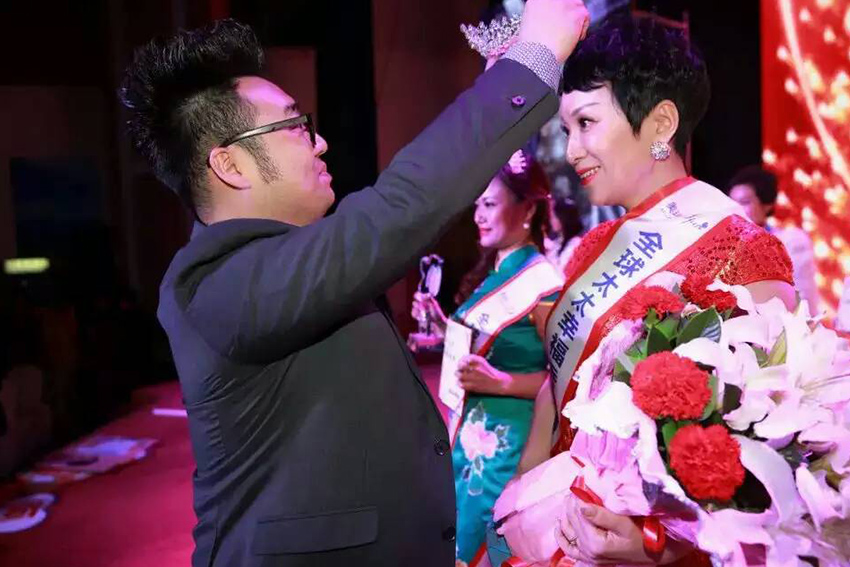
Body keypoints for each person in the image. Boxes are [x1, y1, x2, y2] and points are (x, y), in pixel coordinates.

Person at [119, 3, 590, 566]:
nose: (319, 143)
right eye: (295, 127)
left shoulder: (284, 265)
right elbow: (393, 212)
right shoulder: (216, 282)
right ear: (231, 166)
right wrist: (531, 62)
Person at [495, 16, 796, 567]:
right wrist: (524, 495)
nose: (572, 150)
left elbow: (772, 438)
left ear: (661, 123)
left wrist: (660, 544)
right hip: (563, 527)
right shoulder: (594, 247)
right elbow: (558, 390)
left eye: (587, 123)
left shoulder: (745, 251)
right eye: (567, 129)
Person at [410, 152, 563, 566]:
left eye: (490, 204)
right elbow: (488, 347)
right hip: (470, 436)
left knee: (492, 549)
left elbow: (566, 378)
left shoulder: (544, 285)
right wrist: (442, 326)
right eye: (477, 204)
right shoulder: (495, 273)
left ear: (527, 210)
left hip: (508, 449)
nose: (478, 215)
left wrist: (503, 383)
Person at [728, 165, 819, 312]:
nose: (736, 210)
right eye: (732, 203)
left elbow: (803, 296)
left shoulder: (791, 241)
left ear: (767, 204)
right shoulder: (726, 246)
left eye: (744, 202)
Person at [543, 194, 583, 272]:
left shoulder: (575, 244)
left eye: (554, 216)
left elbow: (562, 269)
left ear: (562, 218)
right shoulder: (557, 243)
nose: (551, 220)